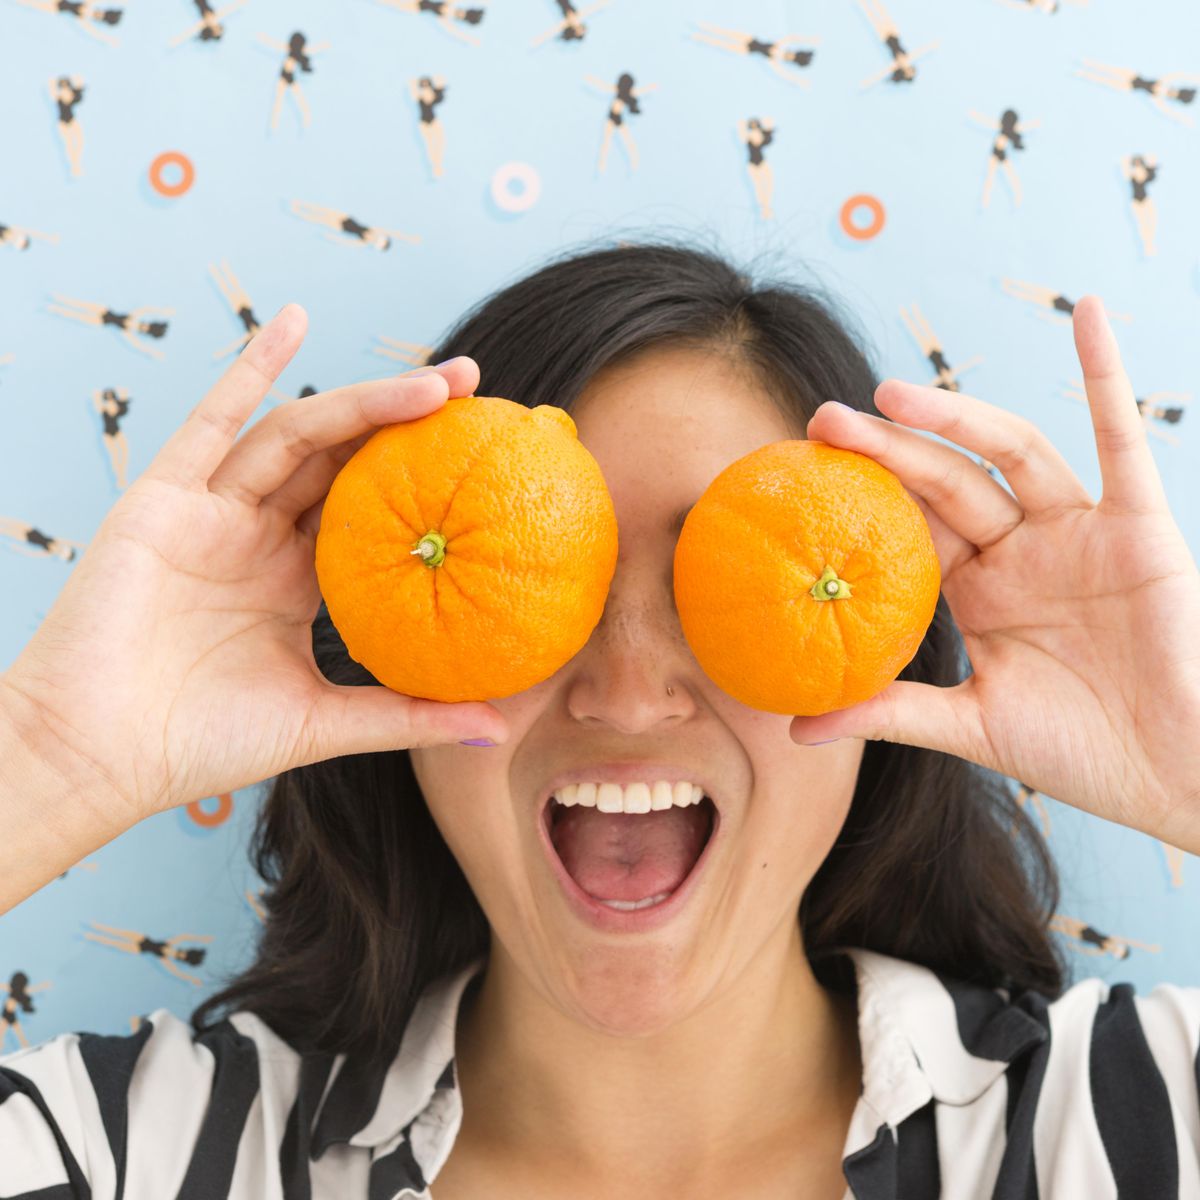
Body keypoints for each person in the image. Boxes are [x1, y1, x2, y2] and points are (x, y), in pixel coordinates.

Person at [2, 239, 1199, 1199]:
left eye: (724, 592)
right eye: (542, 585)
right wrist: (52, 762)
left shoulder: (1140, 1117)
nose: (626, 692)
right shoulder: (128, 1155)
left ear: (884, 660)